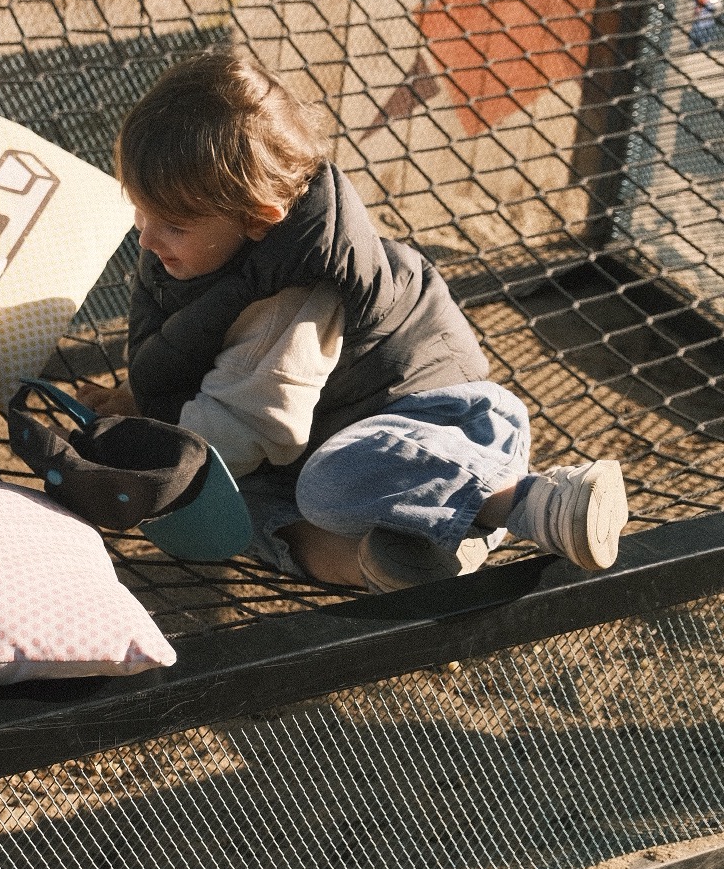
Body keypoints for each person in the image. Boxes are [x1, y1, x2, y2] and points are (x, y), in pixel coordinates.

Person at [80, 47, 628, 593]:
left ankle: (537, 502)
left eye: (171, 223)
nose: (146, 238)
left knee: (325, 483)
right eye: (140, 211)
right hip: (354, 438)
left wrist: (145, 448)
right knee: (244, 514)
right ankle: (390, 560)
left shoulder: (292, 292)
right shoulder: (213, 257)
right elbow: (203, 351)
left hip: (437, 425)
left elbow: (262, 422)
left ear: (257, 219)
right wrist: (135, 397)